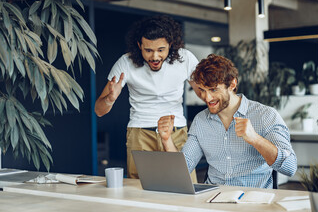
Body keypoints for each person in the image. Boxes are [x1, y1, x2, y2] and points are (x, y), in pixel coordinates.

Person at [158, 54, 297, 188]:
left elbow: (290, 167)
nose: (207, 98)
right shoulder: (201, 121)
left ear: (232, 84)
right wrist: (166, 140)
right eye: (202, 90)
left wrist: (255, 139)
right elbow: (183, 169)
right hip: (212, 200)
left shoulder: (265, 116)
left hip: (253, 201)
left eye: (213, 90)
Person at [95, 15, 200, 180]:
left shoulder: (185, 58)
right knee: (140, 191)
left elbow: (204, 93)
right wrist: (110, 98)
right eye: (148, 50)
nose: (155, 57)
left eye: (161, 50)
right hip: (140, 134)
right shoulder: (125, 63)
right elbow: (99, 111)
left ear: (170, 45)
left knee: (186, 185)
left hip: (176, 132)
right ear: (139, 46)